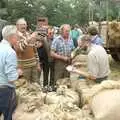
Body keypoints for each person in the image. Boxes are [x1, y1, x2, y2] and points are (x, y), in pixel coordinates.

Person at [0, 25, 22, 120]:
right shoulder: (10, 52)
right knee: (8, 115)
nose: (18, 37)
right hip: (5, 90)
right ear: (11, 37)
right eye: (17, 35)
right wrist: (19, 72)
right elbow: (12, 78)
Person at [16, 18, 40, 85]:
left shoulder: (29, 35)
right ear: (17, 26)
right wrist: (29, 39)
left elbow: (35, 51)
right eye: (21, 24)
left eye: (25, 24)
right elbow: (20, 48)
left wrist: (38, 63)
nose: (23, 26)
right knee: (24, 86)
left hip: (33, 65)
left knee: (36, 84)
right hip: (23, 68)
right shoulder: (15, 36)